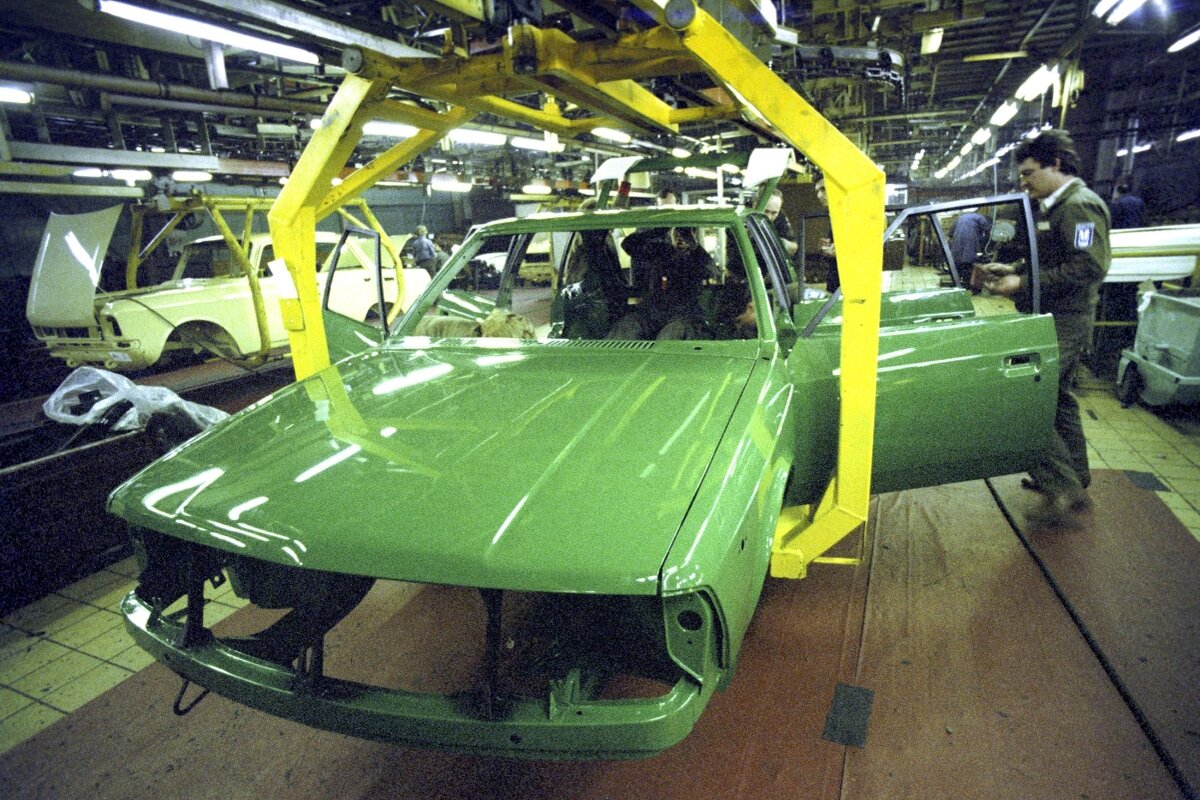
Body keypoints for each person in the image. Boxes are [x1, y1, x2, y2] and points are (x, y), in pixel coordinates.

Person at [980, 128, 1111, 529]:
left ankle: (1063, 489)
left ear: (1055, 165)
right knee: (1057, 400)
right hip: (1053, 316)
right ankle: (1076, 477)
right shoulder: (1055, 207)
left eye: (1029, 173)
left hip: (1067, 320)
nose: (1024, 181)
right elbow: (1055, 259)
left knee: (1026, 396)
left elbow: (1089, 266)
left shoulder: (1079, 206)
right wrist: (1015, 269)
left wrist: (1022, 283)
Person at [608, 226, 712, 340]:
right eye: (677, 234)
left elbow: (712, 271)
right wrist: (658, 231)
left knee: (672, 333)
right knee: (627, 325)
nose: (680, 239)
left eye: (684, 236)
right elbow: (628, 245)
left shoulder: (696, 259)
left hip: (683, 315)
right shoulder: (661, 252)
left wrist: (694, 245)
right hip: (651, 312)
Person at [949, 209, 992, 292]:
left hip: (957, 247)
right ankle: (971, 287)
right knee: (969, 265)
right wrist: (983, 242)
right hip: (971, 246)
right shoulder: (980, 218)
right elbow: (988, 232)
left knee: (958, 267)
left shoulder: (960, 218)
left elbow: (951, 234)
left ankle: (956, 286)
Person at [814, 177, 840, 293]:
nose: (819, 195)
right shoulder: (835, 216)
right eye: (818, 191)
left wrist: (838, 252)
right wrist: (827, 249)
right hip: (835, 283)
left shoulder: (853, 215)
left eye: (823, 189)